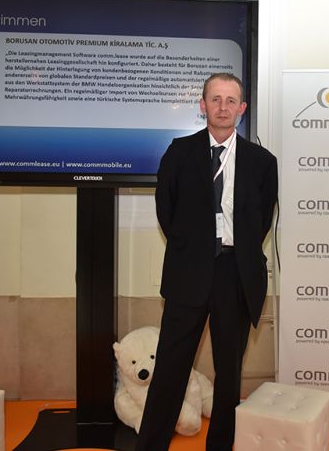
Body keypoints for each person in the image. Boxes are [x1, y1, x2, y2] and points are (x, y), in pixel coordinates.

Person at [135, 73, 278, 451]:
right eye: (215, 99)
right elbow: (166, 210)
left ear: (242, 108)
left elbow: (261, 221)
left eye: (231, 101)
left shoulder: (263, 162)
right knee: (170, 369)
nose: (223, 107)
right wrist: (194, 247)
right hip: (189, 272)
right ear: (203, 105)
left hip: (236, 275)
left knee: (229, 375)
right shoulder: (179, 152)